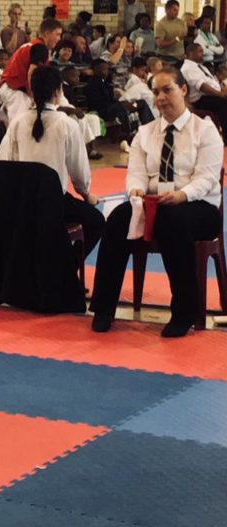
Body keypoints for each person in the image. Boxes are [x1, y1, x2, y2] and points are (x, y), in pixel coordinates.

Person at [90, 67, 223, 337]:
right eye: (156, 92)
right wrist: (136, 190)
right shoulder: (145, 132)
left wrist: (181, 195)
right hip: (153, 203)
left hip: (198, 205)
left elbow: (207, 178)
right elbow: (136, 172)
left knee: (173, 221)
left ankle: (184, 312)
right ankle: (103, 308)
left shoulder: (205, 130)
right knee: (116, 220)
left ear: (183, 90)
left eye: (167, 90)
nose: (160, 97)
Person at [0, 65, 104, 257]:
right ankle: (68, 266)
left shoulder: (17, 122)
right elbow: (78, 171)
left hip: (20, 202)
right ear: (57, 92)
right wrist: (87, 194)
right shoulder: (67, 124)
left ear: (32, 91)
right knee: (96, 222)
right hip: (54, 202)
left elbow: (3, 163)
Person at [0, 17, 63, 127]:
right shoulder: (40, 48)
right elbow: (32, 73)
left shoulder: (32, 44)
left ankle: (3, 114)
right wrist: (35, 96)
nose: (59, 39)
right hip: (14, 90)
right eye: (57, 34)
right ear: (47, 33)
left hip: (11, 87)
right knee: (18, 126)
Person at [180, 42, 227, 127]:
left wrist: (222, 89)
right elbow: (201, 86)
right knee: (223, 103)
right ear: (191, 53)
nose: (203, 53)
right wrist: (219, 94)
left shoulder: (201, 66)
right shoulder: (187, 68)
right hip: (199, 100)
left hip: (211, 95)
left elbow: (212, 82)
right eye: (200, 51)